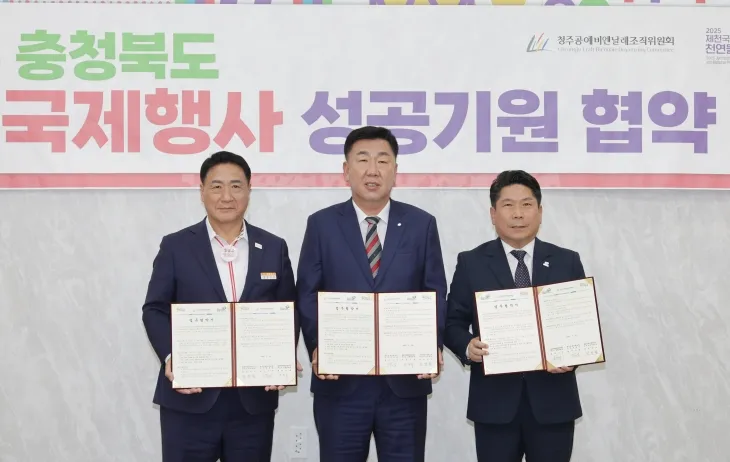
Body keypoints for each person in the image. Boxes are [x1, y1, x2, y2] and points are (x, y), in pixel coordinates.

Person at [296, 126, 448, 462]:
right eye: (362, 160)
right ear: (346, 170)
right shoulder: (321, 224)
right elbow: (307, 292)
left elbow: (435, 291)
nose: (373, 170)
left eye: (383, 160)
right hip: (341, 383)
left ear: (395, 170)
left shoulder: (421, 224)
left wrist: (431, 344)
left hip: (403, 384)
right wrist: (319, 346)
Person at [142, 150, 300, 462]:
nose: (226, 196)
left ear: (249, 190)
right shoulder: (176, 246)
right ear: (202, 191)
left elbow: (288, 309)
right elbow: (155, 309)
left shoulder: (273, 246)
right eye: (216, 186)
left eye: (236, 186)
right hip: (190, 399)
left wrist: (282, 356)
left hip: (252, 403)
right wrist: (173, 357)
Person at [444, 170, 585, 462]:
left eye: (527, 204)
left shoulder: (567, 261)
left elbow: (579, 325)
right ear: (493, 214)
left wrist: (572, 355)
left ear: (540, 211)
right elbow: (451, 322)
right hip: (494, 405)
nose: (518, 214)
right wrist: (468, 346)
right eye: (508, 205)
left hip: (553, 403)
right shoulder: (471, 262)